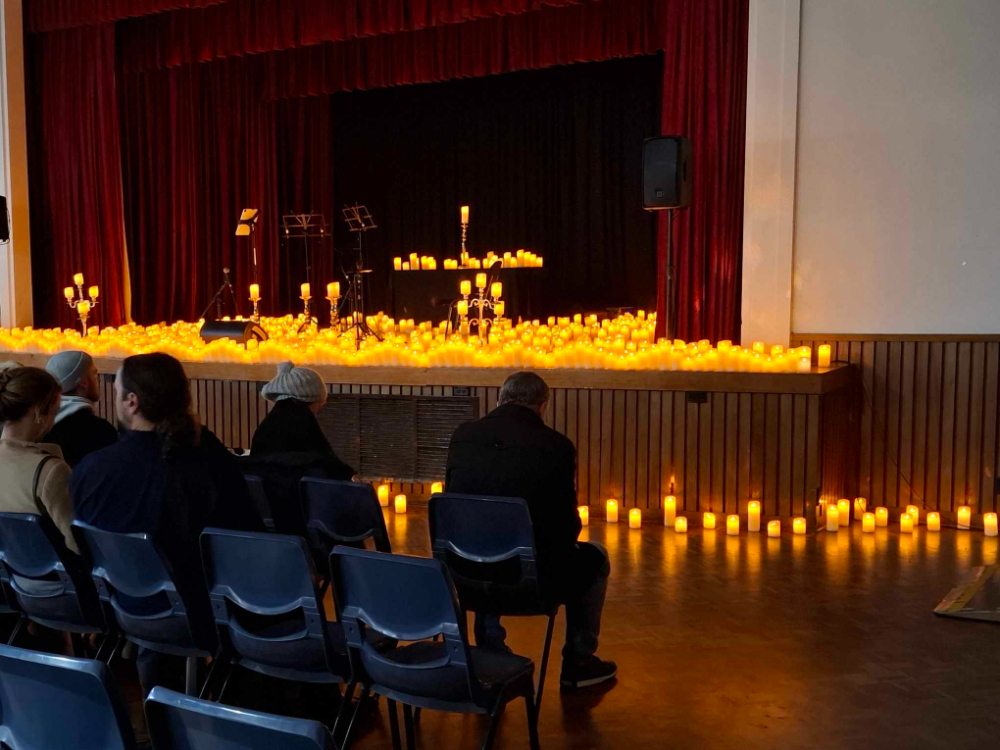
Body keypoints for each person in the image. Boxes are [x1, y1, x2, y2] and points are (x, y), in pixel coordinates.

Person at [72, 352, 262, 693]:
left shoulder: (91, 468)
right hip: (203, 616)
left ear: (132, 402)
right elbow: (245, 539)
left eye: (116, 393)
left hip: (121, 609)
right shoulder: (207, 460)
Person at [445, 371, 617, 690]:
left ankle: (490, 644)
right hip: (529, 585)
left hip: (460, 577)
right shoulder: (556, 446)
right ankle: (578, 663)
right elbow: (567, 529)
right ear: (543, 407)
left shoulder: (463, 435)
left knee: (484, 538)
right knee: (596, 558)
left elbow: (454, 501)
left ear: (500, 399)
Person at [245, 361, 354, 534]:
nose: (319, 410)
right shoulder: (304, 424)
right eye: (320, 405)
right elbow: (332, 476)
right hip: (307, 523)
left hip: (272, 524)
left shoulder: (267, 425)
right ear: (311, 399)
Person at [0, 367, 79, 595]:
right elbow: (78, 544)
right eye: (54, 411)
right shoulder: (49, 470)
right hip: (59, 589)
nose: (53, 421)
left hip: (11, 585)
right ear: (37, 412)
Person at [42, 351, 117, 467]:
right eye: (94, 374)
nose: (97, 379)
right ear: (84, 383)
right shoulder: (101, 431)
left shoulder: (38, 426)